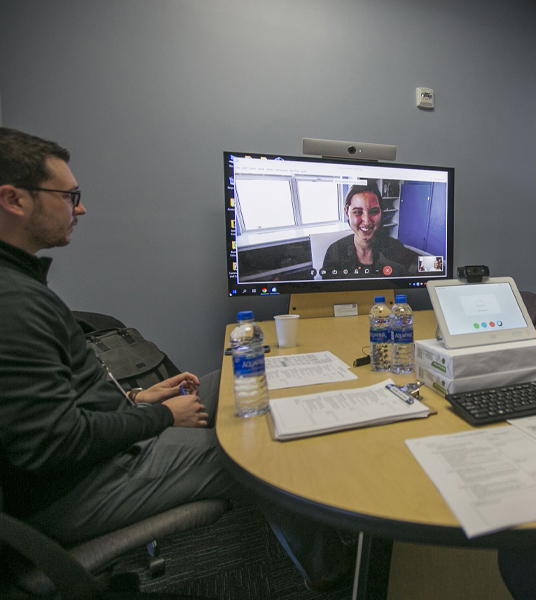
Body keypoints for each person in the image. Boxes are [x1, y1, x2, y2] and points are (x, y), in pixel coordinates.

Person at [0, 128, 352, 590]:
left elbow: (47, 401)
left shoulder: (19, 281)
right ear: (14, 200)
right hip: (82, 485)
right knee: (266, 458)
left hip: (104, 441)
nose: (80, 207)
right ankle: (338, 578)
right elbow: (49, 445)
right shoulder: (14, 302)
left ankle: (332, 500)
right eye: (69, 195)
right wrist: (159, 416)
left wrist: (135, 396)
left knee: (237, 374)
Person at [321, 183, 419, 277]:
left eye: (374, 211)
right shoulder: (335, 252)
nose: (367, 221)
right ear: (347, 213)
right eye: (358, 212)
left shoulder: (396, 248)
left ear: (381, 212)